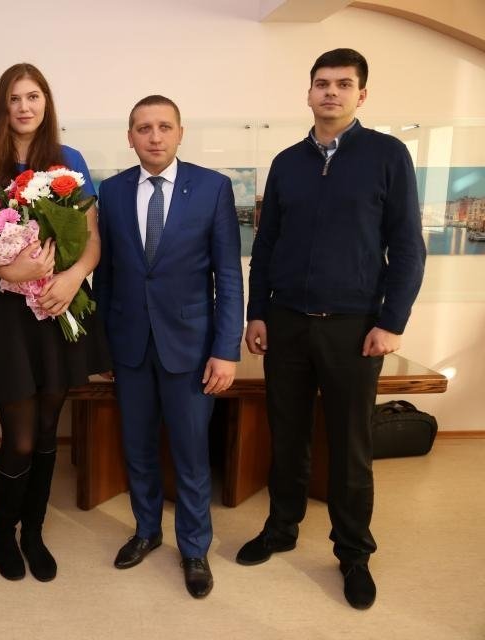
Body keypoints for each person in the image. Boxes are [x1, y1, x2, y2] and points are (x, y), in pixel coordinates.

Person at [236, 48, 425, 610]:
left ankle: (353, 552)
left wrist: (392, 321)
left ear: (361, 95)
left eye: (344, 84)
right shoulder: (287, 162)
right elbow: (266, 245)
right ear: (309, 92)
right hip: (287, 323)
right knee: (287, 434)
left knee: (350, 445)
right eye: (322, 83)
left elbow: (408, 247)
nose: (332, 93)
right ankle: (281, 528)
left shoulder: (387, 155)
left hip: (355, 327)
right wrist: (257, 311)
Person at [0, 62, 109, 582]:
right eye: (15, 97)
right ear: (3, 104)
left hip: (57, 304)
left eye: (33, 96)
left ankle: (34, 533)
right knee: (18, 439)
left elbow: (91, 238)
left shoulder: (69, 160)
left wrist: (74, 276)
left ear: (46, 103)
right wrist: (10, 270)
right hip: (5, 311)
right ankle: (4, 531)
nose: (24, 106)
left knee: (46, 433)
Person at [93, 95, 243, 598]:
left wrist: (226, 349)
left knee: (191, 452)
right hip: (130, 346)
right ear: (130, 137)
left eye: (163, 127)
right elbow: (106, 277)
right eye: (143, 128)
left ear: (180, 132)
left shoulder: (213, 187)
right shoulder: (111, 191)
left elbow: (228, 276)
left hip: (192, 348)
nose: (154, 137)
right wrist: (104, 347)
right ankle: (146, 530)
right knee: (137, 447)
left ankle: (194, 548)